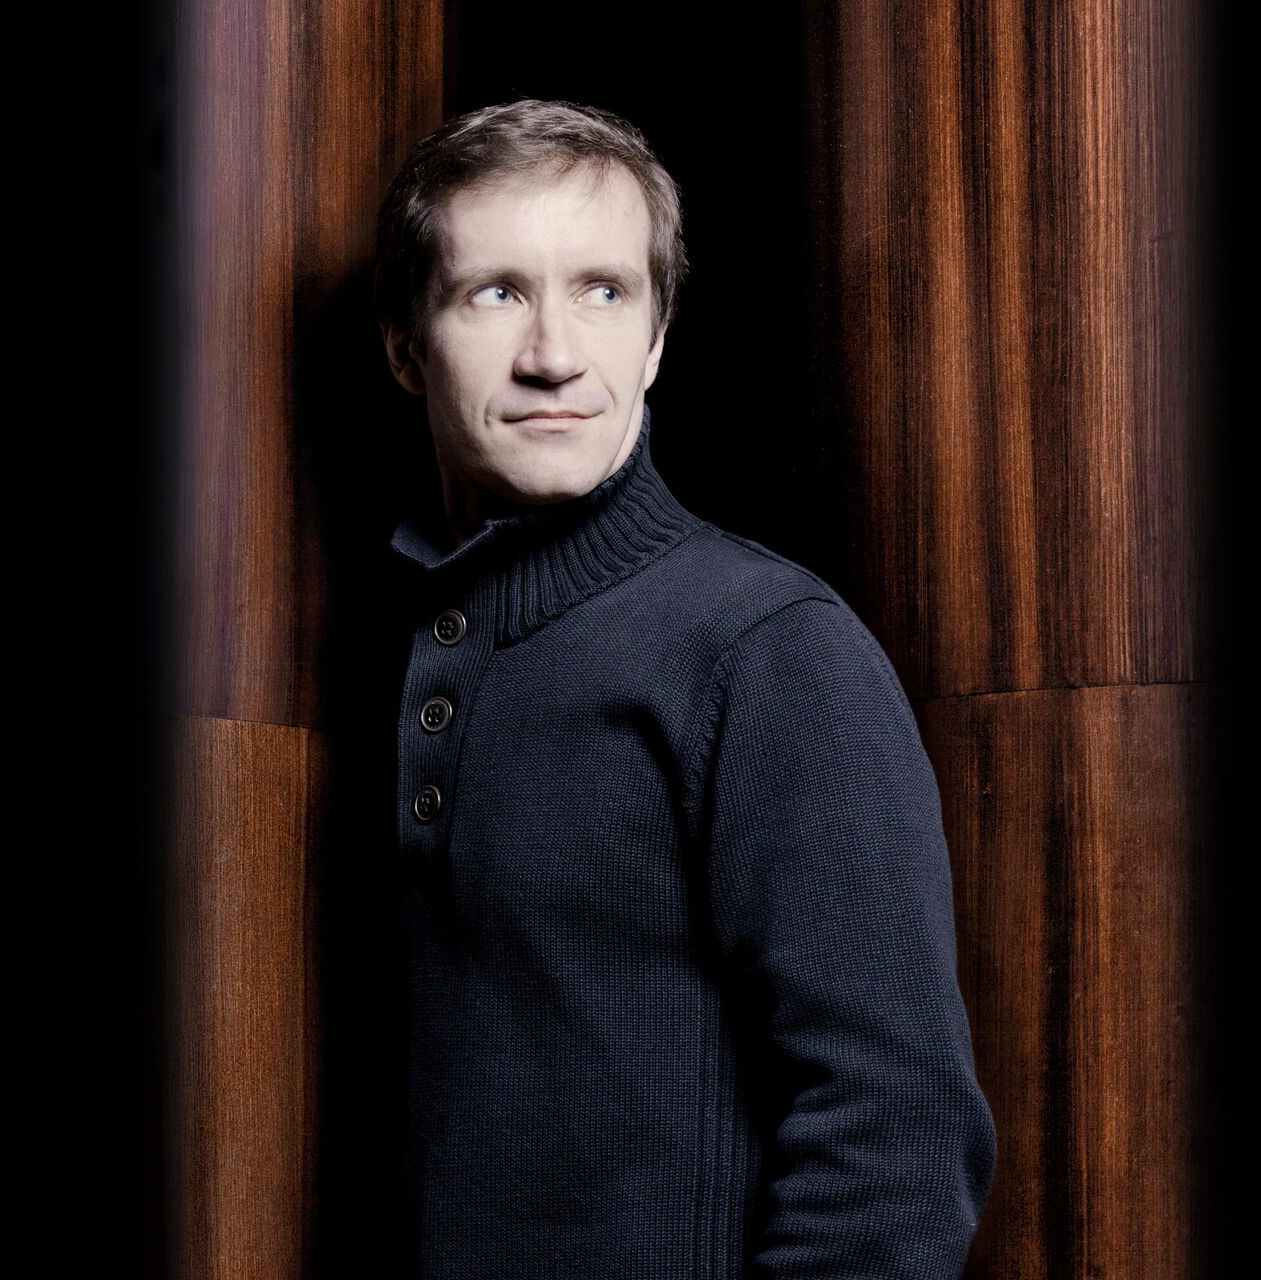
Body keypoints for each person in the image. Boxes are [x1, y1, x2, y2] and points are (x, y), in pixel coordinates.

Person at [372, 98, 996, 1278]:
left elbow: (900, 1141)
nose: (554, 353)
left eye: (605, 292)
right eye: (496, 292)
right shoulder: (404, 645)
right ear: (407, 346)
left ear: (656, 341)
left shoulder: (769, 650)